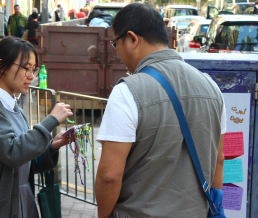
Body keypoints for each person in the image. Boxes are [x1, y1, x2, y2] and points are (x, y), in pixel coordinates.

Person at [95, 3, 226, 218]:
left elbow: (109, 176)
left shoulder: (127, 92)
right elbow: (219, 159)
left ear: (132, 39)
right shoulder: (212, 87)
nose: (116, 52)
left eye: (115, 43)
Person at [0, 37, 74, 218]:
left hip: (21, 204)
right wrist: (51, 120)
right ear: (2, 66)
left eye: (33, 69)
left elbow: (24, 160)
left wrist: (52, 146)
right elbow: (13, 153)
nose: (31, 75)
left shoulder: (15, 110)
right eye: (25, 68)